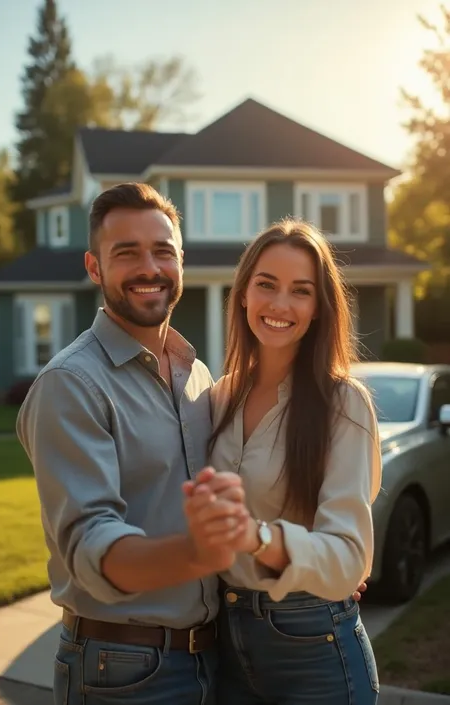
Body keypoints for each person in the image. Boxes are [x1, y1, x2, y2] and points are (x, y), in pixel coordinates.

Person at [16, 183, 367, 705]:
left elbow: (330, 542)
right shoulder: (72, 383)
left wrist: (316, 570)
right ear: (94, 267)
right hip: (123, 664)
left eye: (162, 251)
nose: (149, 268)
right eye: (126, 253)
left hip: (223, 653)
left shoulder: (199, 380)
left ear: (182, 261)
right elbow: (90, 543)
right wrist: (218, 551)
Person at [183, 218, 382, 705]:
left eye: (301, 291)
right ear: (244, 293)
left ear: (318, 309)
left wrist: (258, 538)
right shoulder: (218, 396)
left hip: (313, 645)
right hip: (224, 643)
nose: (279, 304)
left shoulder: (343, 404)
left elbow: (348, 557)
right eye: (266, 284)